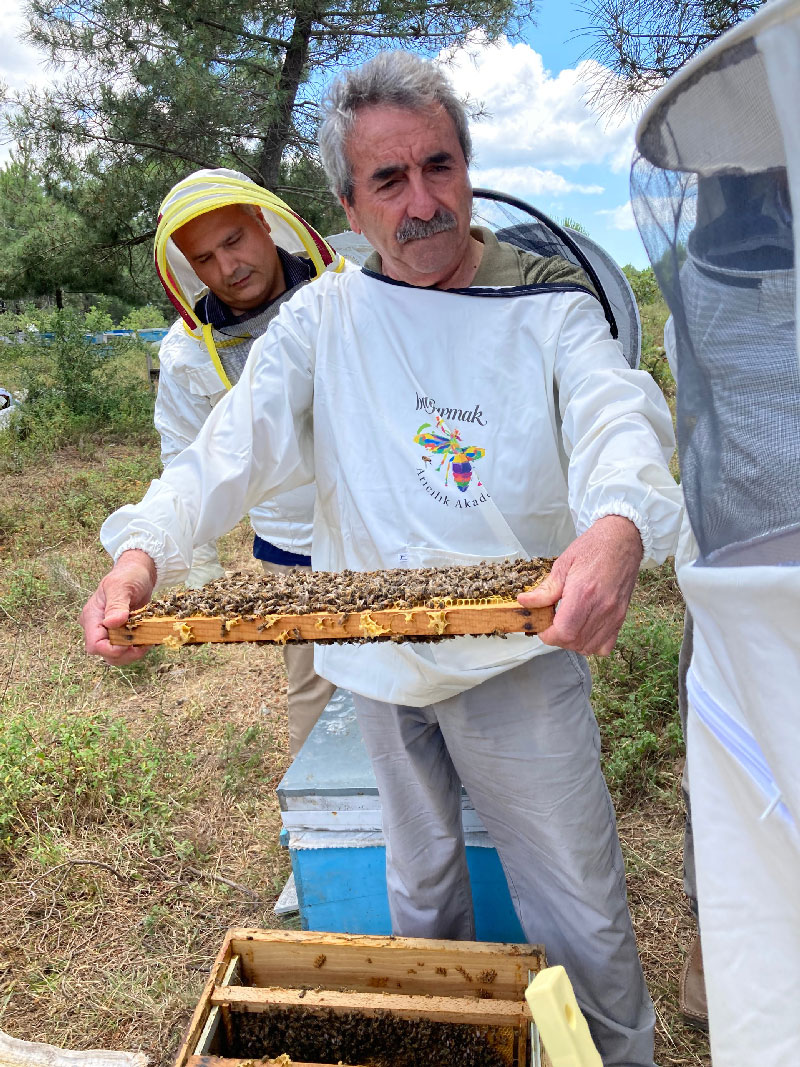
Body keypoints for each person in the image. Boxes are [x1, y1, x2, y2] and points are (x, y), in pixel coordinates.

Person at [81, 52, 683, 1066]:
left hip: (513, 663)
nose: (421, 201)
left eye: (438, 166)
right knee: (418, 894)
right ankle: (440, 1046)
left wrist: (617, 522)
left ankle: (614, 1057)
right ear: (346, 206)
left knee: (578, 909)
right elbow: (236, 443)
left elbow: (617, 416)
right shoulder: (324, 316)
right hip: (372, 664)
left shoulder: (549, 304)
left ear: (467, 166)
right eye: (388, 181)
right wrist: (143, 546)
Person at [152, 169, 346, 756]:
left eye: (234, 240)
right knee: (316, 687)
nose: (227, 268)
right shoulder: (187, 350)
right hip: (292, 546)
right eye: (205, 259)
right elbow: (183, 452)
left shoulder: (353, 294)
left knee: (422, 672)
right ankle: (326, 827)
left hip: (390, 526)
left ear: (265, 220)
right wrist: (197, 571)